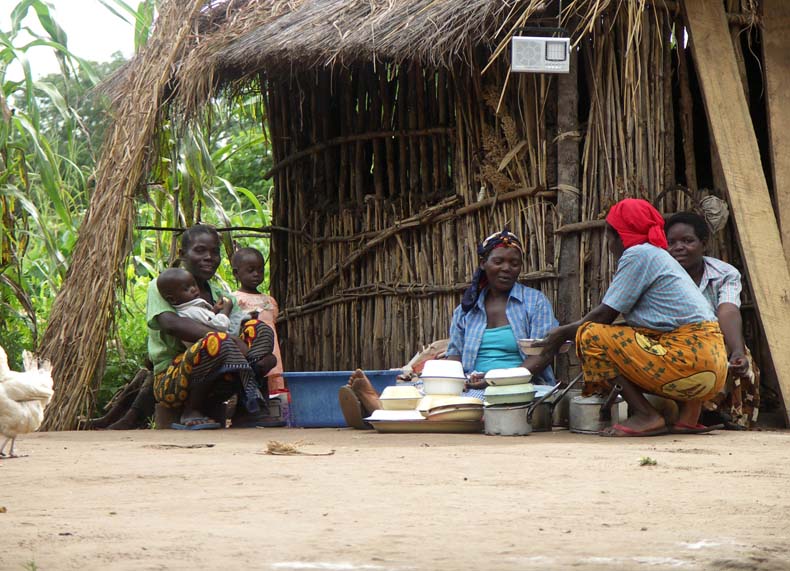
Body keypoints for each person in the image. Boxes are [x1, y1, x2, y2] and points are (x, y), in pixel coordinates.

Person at [539, 198, 729, 437]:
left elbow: (603, 316)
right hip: (713, 366)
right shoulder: (658, 255)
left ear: (618, 235)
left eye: (608, 237)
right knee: (645, 336)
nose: (608, 245)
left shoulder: (639, 254)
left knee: (591, 336)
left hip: (690, 361)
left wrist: (560, 334)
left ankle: (647, 416)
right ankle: (688, 418)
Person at [338, 228, 561, 428]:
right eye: (499, 261)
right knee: (426, 395)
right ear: (483, 263)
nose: (507, 269)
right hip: (471, 384)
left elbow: (543, 354)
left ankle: (378, 409)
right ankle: (383, 407)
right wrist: (452, 382)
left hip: (518, 387)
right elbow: (454, 358)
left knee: (479, 406)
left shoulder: (534, 302)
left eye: (514, 264)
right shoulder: (466, 310)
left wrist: (496, 381)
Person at [147, 224, 277, 430]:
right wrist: (231, 340)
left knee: (258, 329)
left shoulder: (220, 296)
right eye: (200, 250)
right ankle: (191, 410)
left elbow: (239, 327)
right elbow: (170, 323)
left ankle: (245, 411)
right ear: (182, 254)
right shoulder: (163, 284)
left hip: (222, 378)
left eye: (214, 252)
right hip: (173, 382)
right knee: (218, 341)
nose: (209, 257)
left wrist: (260, 355)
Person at [665, 212, 759, 429]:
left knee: (739, 358)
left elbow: (727, 309)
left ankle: (732, 419)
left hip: (712, 337)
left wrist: (737, 350)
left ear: (703, 244)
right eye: (672, 243)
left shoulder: (723, 273)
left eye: (687, 241)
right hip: (674, 342)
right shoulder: (661, 275)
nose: (678, 247)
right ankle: (697, 415)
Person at [230, 247, 285, 392]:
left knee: (271, 383)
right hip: (248, 349)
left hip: (271, 349)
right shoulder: (234, 299)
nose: (256, 274)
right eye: (251, 270)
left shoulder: (269, 300)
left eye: (260, 270)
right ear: (236, 273)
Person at [156, 267, 233, 346]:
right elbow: (221, 325)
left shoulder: (184, 311)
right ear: (172, 299)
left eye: (194, 284)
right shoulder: (193, 311)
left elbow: (205, 321)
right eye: (186, 289)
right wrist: (226, 310)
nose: (193, 289)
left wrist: (215, 310)